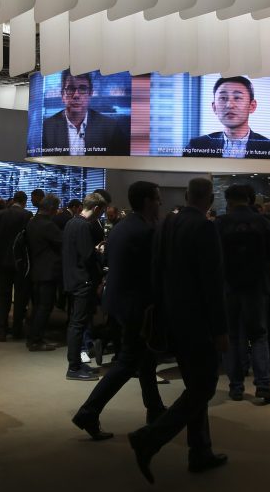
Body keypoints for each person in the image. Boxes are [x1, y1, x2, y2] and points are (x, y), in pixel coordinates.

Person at [127, 178, 228, 483]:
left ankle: (200, 451)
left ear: (185, 196)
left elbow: (155, 272)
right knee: (204, 386)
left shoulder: (164, 225)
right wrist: (220, 329)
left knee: (194, 384)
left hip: (171, 318)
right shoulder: (205, 228)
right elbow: (212, 284)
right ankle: (149, 438)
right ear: (210, 199)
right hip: (197, 322)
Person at [72, 182, 167, 440]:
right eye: (157, 199)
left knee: (144, 360)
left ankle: (155, 410)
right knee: (127, 363)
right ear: (148, 201)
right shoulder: (146, 231)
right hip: (136, 306)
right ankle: (89, 411)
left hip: (120, 302)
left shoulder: (122, 227)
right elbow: (153, 273)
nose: (160, 204)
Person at [216, 184, 270, 402]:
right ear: (250, 199)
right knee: (259, 336)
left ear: (229, 201)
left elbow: (214, 257)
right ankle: (263, 385)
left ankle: (236, 387)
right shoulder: (262, 222)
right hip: (256, 286)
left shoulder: (221, 223)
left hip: (229, 286)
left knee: (233, 337)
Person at [62, 192, 109, 381]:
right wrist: (99, 252)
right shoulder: (83, 226)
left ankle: (77, 364)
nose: (102, 214)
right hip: (82, 280)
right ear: (96, 208)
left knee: (77, 323)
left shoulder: (71, 222)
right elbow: (87, 256)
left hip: (73, 278)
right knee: (78, 324)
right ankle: (73, 367)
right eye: (102, 210)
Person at [183, 77, 270, 160]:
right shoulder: (196, 146)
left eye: (237, 98)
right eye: (223, 98)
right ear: (214, 107)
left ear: (252, 106)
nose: (229, 105)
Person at [0, 192, 33, 342]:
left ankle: (1, 331)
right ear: (24, 201)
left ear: (13, 200)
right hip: (19, 262)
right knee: (20, 297)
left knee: (2, 296)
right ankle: (17, 330)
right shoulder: (27, 215)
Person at [41, 71, 129, 157]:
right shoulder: (46, 128)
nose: (76, 95)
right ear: (62, 95)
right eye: (71, 89)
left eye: (82, 89)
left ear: (90, 94)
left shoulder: (111, 128)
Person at [24, 194, 63, 352]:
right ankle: (36, 341)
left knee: (37, 306)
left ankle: (33, 337)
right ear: (52, 208)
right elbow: (62, 243)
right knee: (44, 307)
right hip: (48, 271)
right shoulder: (48, 225)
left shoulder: (32, 222)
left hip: (35, 269)